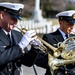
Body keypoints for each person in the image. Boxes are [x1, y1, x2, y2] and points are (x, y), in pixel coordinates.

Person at [0, 2, 40, 75]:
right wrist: (20, 46)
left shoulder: (17, 34)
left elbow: (27, 62)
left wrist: (35, 49)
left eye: (17, 19)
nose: (15, 22)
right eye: (13, 18)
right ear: (2, 15)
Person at [34, 10, 75, 75]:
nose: (72, 27)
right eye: (69, 24)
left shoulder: (74, 38)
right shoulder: (49, 37)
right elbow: (38, 60)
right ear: (61, 22)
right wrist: (56, 62)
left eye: (73, 24)